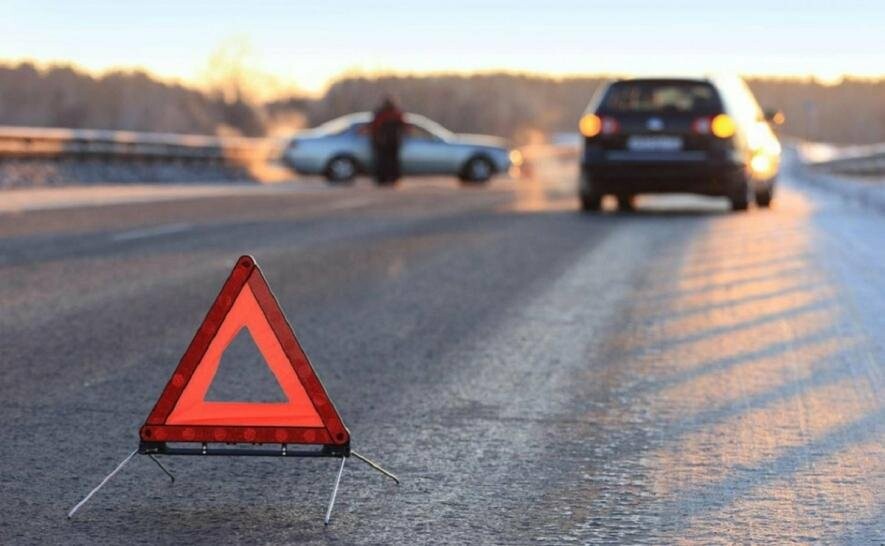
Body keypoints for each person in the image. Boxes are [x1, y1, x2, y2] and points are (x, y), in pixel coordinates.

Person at [369, 97, 405, 185]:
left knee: (384, 161)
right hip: (389, 142)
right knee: (388, 161)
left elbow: (374, 128)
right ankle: (390, 179)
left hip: (385, 142)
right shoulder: (395, 114)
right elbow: (403, 127)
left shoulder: (381, 114)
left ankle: (385, 179)